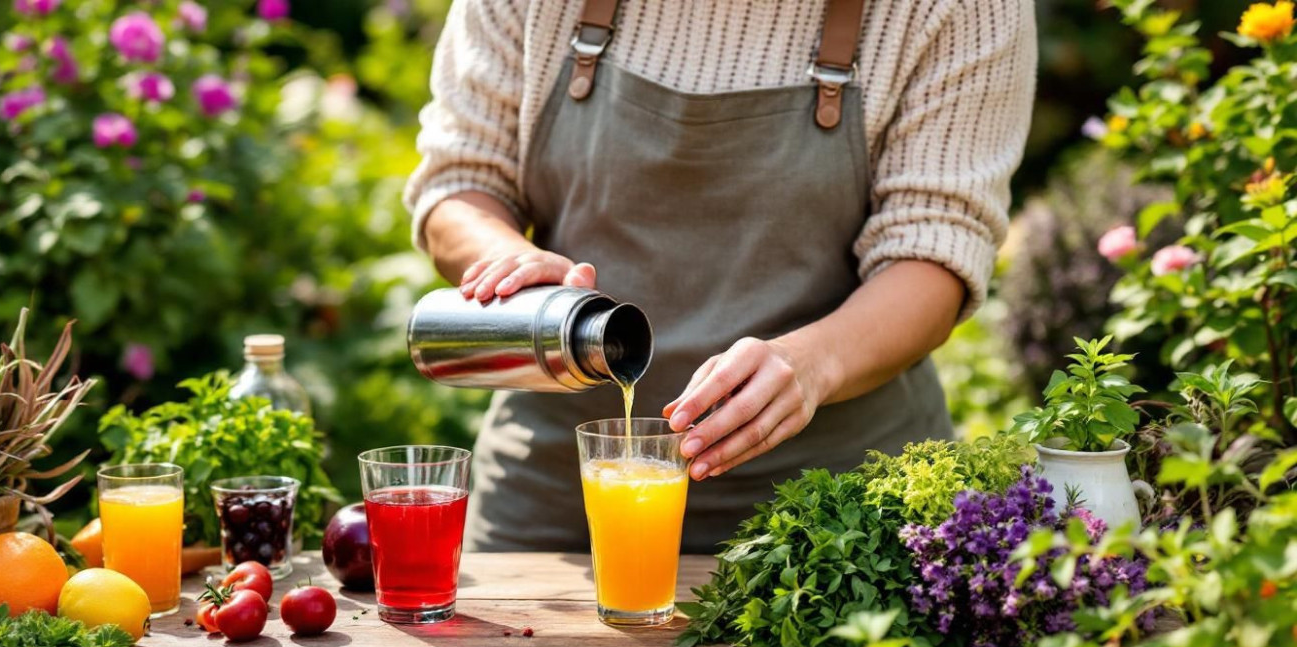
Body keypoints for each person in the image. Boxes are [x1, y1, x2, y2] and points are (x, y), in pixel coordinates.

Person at [405, 0, 1037, 553]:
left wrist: (813, 364)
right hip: (552, 517)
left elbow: (936, 250)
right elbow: (461, 183)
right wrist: (509, 260)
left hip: (839, 525)